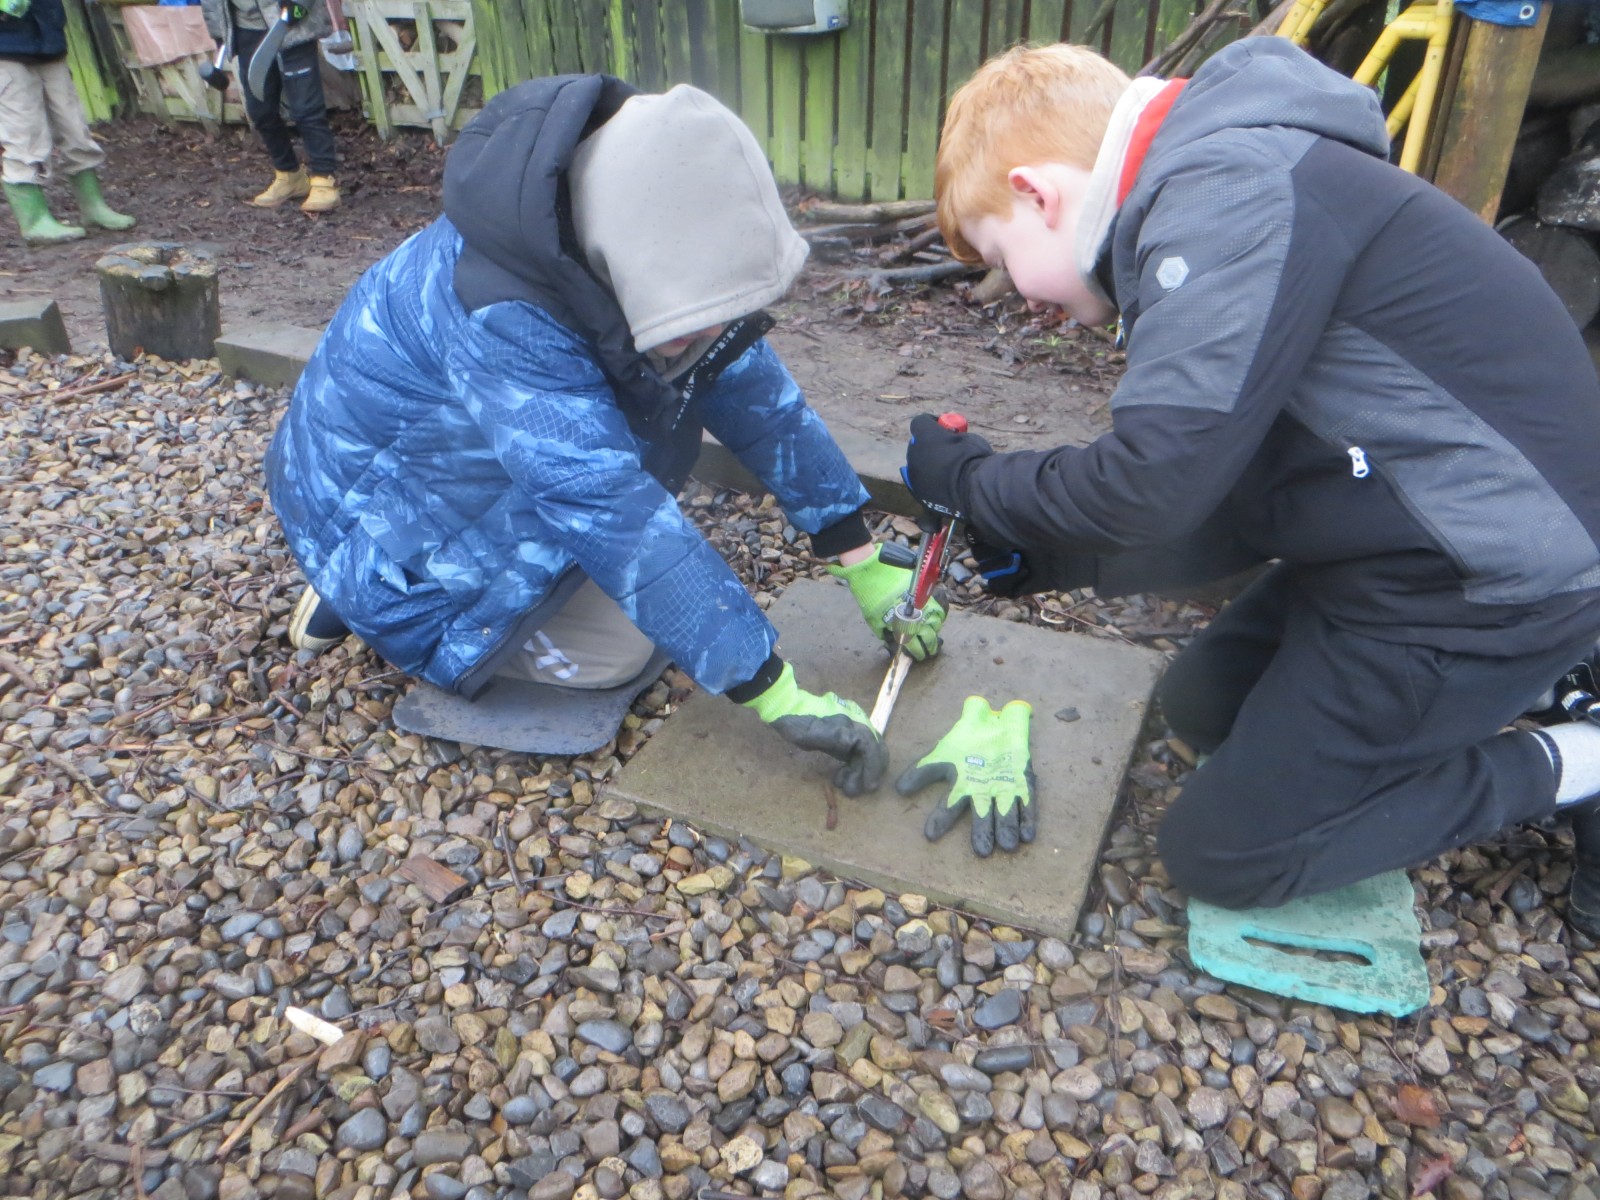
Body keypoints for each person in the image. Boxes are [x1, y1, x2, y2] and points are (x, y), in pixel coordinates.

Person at [906, 37, 1600, 934]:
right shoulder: (1227, 180)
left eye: (1002, 256)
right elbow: (1242, 480)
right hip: (1405, 528)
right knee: (1198, 708)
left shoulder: (1227, 192)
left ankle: (1576, 753)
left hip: (1487, 580)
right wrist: (1055, 559)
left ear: (1038, 194)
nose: (1016, 293)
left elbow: (1151, 485)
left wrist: (973, 482)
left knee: (1227, 854)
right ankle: (1539, 676)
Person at [266, 76, 948, 795]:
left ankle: (358, 578)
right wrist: (776, 693)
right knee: (626, 649)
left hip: (418, 473)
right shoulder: (503, 315)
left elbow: (746, 385)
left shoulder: (595, 213)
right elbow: (608, 507)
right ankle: (366, 594)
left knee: (665, 580)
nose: (710, 332)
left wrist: (856, 553)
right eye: (695, 320)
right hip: (375, 517)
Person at [0, 0, 135, 243]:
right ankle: (34, 220)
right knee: (24, 133)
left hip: (49, 40)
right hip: (5, 50)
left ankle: (93, 206)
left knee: (74, 128)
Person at [200, 0, 339, 212]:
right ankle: (289, 175)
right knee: (260, 111)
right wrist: (220, 33)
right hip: (246, 31)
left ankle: (324, 179)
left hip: (292, 24)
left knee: (306, 108)